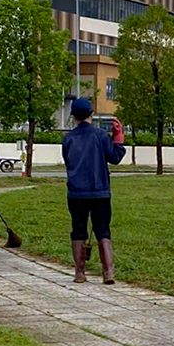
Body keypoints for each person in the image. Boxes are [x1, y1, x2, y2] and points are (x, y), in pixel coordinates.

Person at [62, 98, 126, 284]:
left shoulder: (68, 139)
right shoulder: (101, 135)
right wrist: (118, 138)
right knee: (102, 230)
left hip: (76, 192)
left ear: (73, 116)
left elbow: (68, 162)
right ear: (91, 114)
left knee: (78, 231)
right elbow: (114, 158)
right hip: (99, 191)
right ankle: (108, 272)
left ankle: (80, 273)